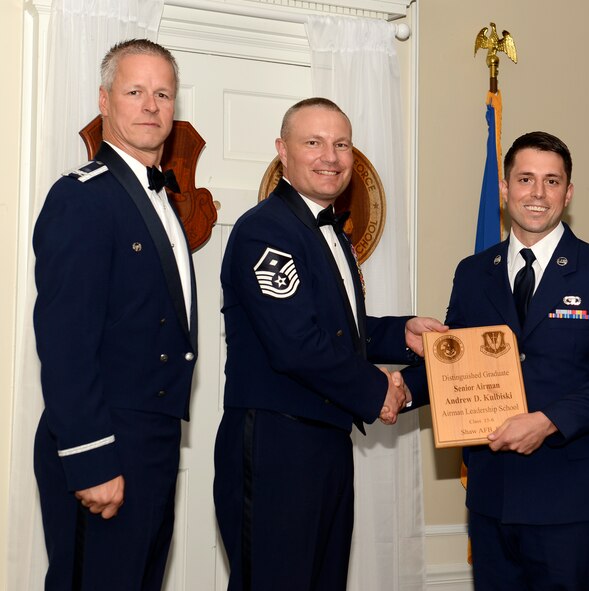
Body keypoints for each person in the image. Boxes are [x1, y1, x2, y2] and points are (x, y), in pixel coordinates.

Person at [214, 97, 445, 591]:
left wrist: (400, 333)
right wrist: (377, 390)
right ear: (282, 151)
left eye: (341, 144)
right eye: (313, 143)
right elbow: (296, 343)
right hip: (277, 444)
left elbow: (335, 328)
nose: (330, 156)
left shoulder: (329, 233)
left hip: (325, 441)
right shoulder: (265, 231)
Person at [432, 131, 589, 590]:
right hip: (492, 497)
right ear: (504, 189)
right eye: (525, 179)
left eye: (552, 182)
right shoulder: (473, 273)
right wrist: (394, 390)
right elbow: (453, 363)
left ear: (568, 194)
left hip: (569, 501)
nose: (537, 193)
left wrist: (547, 421)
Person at [33, 39, 196, 589]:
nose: (151, 105)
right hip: (104, 442)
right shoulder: (82, 198)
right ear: (104, 102)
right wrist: (91, 459)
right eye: (135, 91)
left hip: (152, 442)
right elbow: (64, 344)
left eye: (163, 93)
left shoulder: (163, 201)